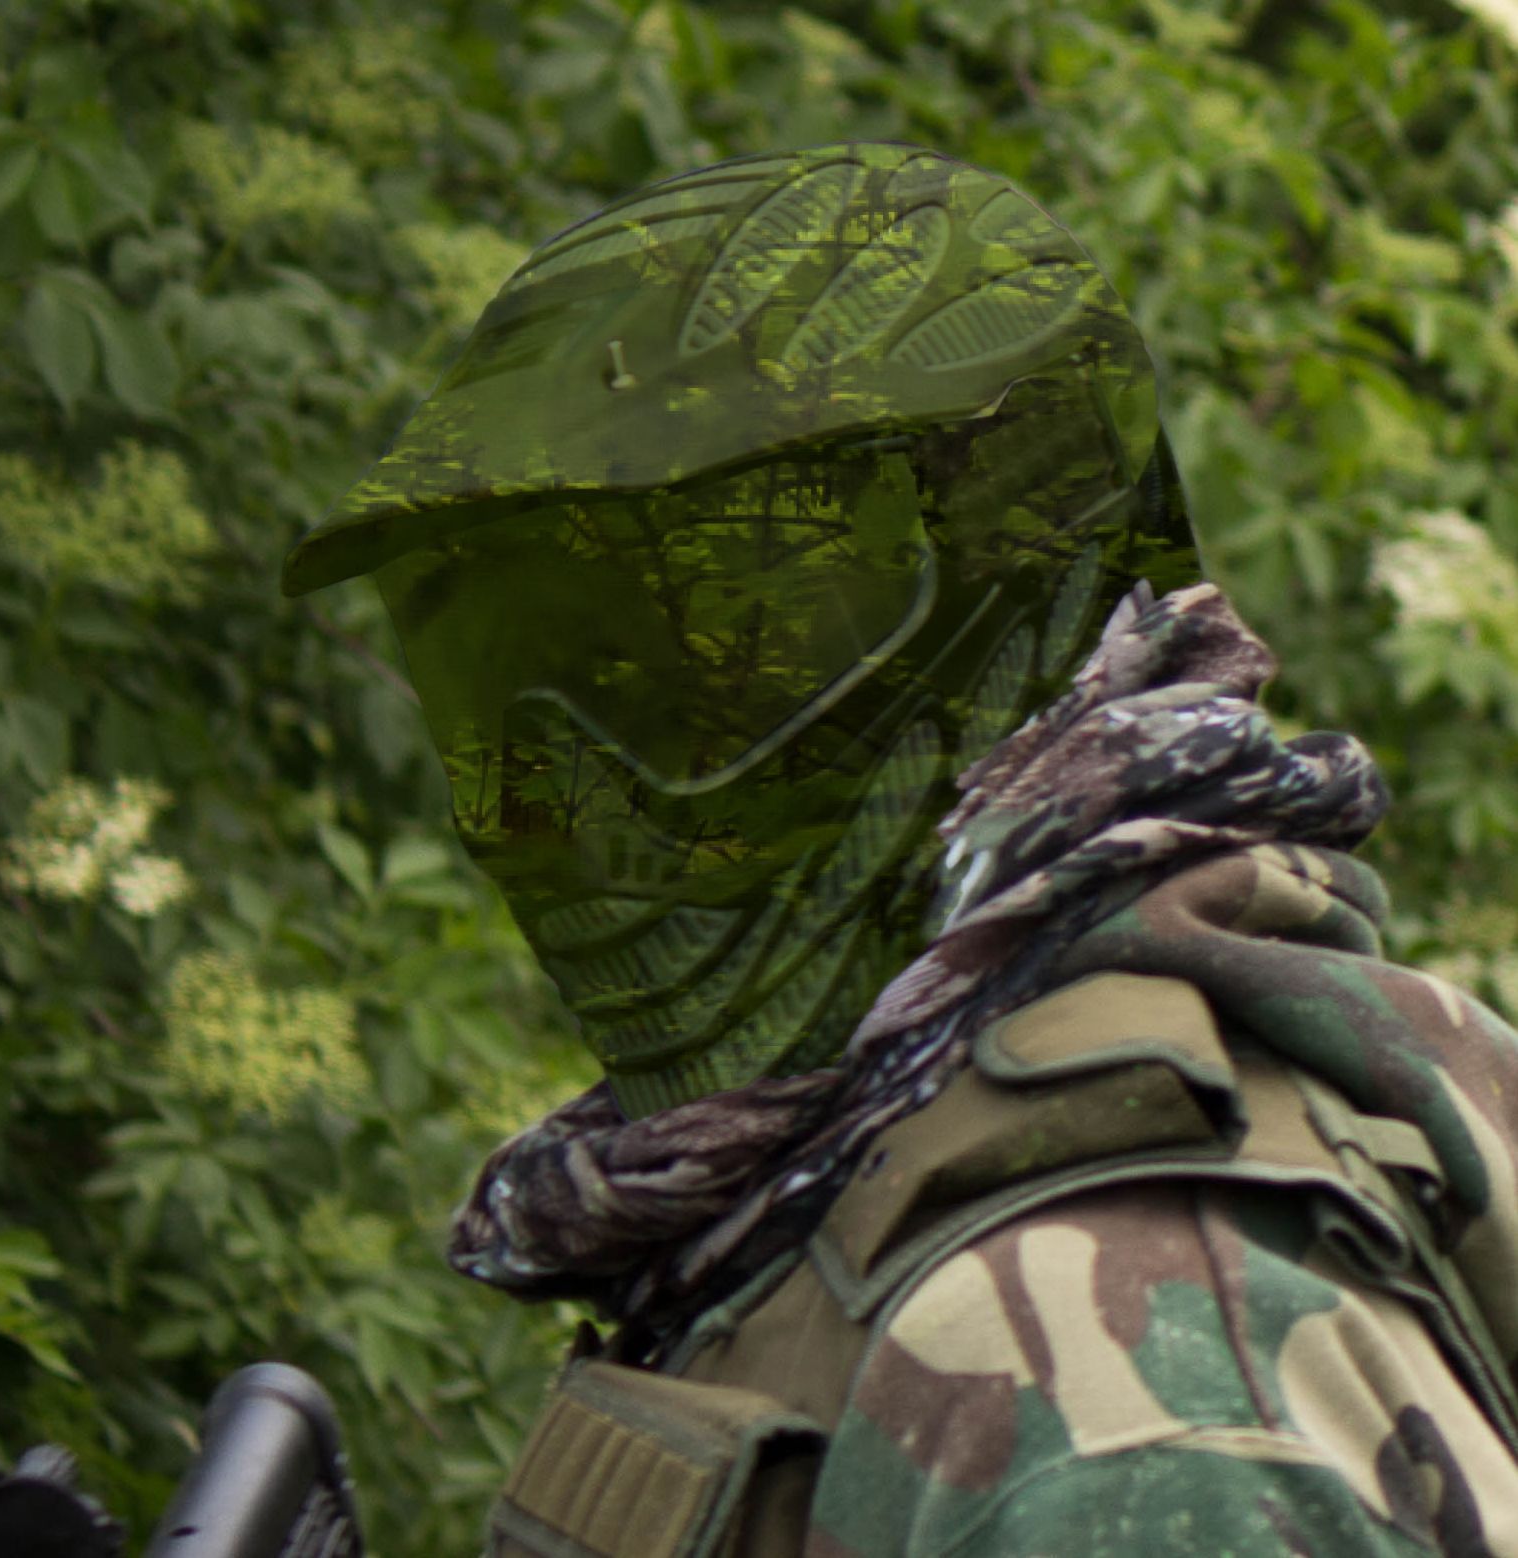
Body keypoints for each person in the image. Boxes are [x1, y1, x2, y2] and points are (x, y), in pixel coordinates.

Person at [282, 142, 1518, 1555]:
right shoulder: (861, 1187)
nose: (555, 797)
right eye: (524, 685)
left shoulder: (1115, 1393)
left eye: (691, 679)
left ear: (973, 640)